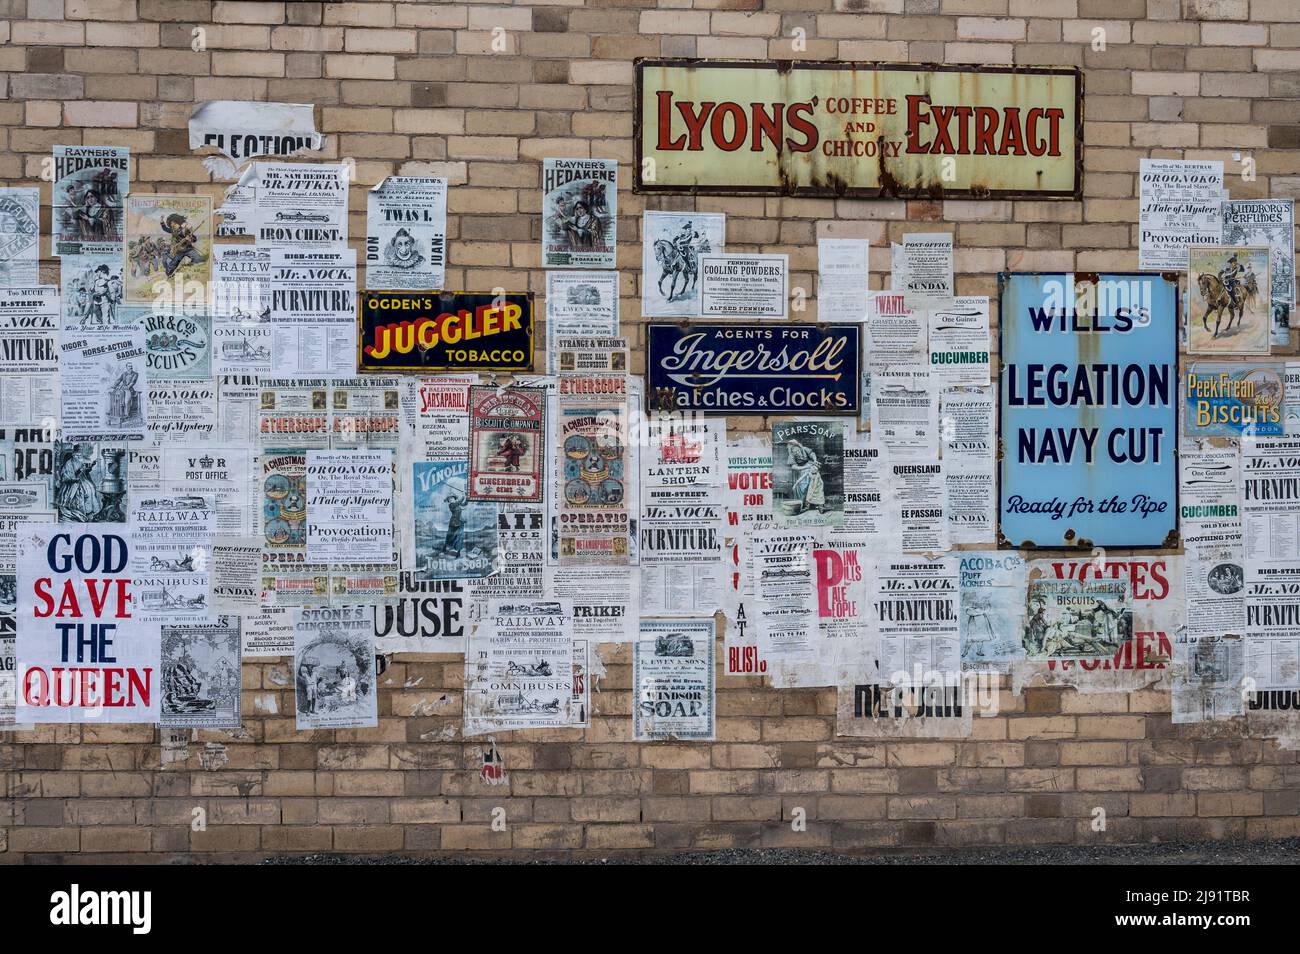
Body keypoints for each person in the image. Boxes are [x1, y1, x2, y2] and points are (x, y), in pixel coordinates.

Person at [55, 443, 103, 521]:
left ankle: (90, 512)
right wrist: (77, 475)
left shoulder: (80, 462)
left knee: (90, 487)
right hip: (71, 484)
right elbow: (65, 477)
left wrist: (91, 466)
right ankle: (81, 512)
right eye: (77, 454)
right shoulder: (68, 464)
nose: (78, 456)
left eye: (80, 454)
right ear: (73, 454)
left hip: (81, 480)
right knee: (82, 491)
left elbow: (85, 472)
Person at [785, 437, 826, 514]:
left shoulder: (804, 449)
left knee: (814, 489)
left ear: (799, 447)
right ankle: (802, 503)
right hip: (800, 470)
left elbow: (812, 454)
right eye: (794, 452)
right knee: (802, 488)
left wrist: (815, 460)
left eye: (797, 450)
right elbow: (794, 467)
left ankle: (816, 504)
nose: (796, 452)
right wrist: (805, 467)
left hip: (809, 468)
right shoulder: (791, 455)